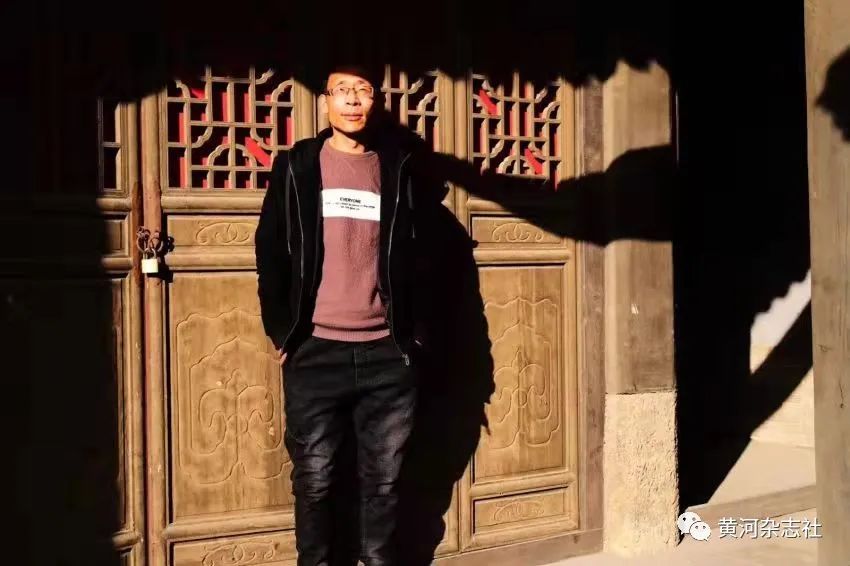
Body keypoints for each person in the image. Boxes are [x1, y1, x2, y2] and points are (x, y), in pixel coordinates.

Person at [255, 65, 427, 566]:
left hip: (387, 353)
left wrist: (415, 334)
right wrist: (281, 330)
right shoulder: (297, 166)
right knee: (315, 479)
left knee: (384, 480)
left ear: (376, 102)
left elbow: (422, 254)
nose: (353, 100)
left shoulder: (397, 168)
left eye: (363, 90)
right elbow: (270, 250)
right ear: (326, 100)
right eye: (342, 90)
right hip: (316, 349)